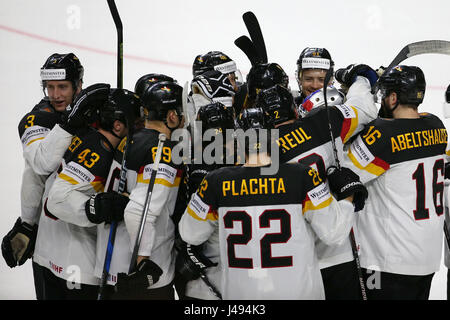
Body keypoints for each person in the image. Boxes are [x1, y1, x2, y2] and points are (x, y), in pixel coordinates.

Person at [178, 106, 367, 299]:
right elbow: (333, 233)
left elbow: (190, 234)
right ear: (274, 137)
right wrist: (347, 198)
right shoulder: (302, 175)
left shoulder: (215, 181)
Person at [256, 63, 378, 300]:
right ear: (295, 111)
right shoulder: (327, 121)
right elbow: (365, 109)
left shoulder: (257, 155)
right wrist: (360, 80)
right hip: (337, 254)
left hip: (289, 264)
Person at [343, 65, 449, 300]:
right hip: (426, 258)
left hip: (388, 261)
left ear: (393, 98)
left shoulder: (382, 135)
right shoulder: (437, 126)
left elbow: (343, 173)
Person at [32, 86, 138, 300]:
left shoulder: (87, 136)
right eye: (136, 123)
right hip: (75, 263)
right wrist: (96, 208)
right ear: (118, 126)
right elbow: (57, 199)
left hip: (51, 254)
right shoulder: (99, 150)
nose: (142, 128)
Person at [1, 53, 85, 300]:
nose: (56, 95)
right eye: (50, 87)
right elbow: (39, 165)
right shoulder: (37, 119)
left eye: (62, 87)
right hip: (49, 243)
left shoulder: (92, 110)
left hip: (87, 241)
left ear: (78, 86)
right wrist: (28, 224)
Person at [116, 81, 185, 299]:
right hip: (147, 275)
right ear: (172, 117)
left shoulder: (128, 140)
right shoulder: (164, 150)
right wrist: (143, 262)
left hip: (112, 265)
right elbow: (138, 211)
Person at [174, 101, 236, 300]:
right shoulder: (246, 160)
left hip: (210, 256)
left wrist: (186, 247)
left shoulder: (194, 161)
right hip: (236, 260)